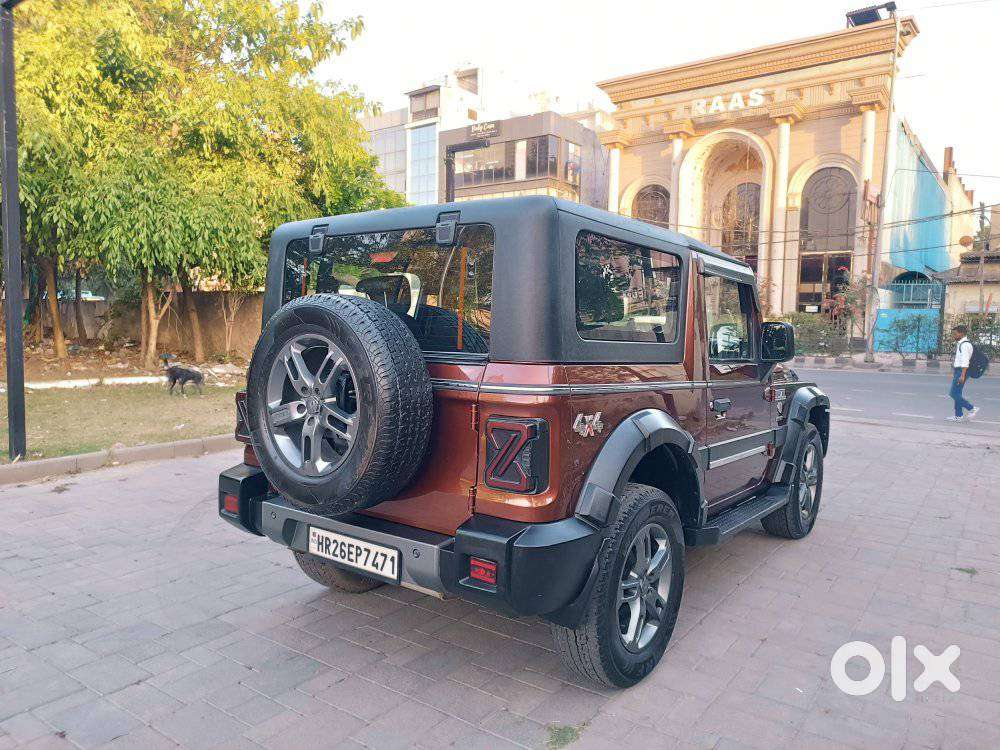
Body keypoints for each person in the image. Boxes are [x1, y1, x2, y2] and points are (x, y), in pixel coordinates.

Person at [947, 325, 979, 422]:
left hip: (962, 371)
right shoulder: (961, 343)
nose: (954, 335)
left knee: (953, 393)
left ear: (961, 333)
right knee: (958, 393)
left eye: (955, 334)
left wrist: (962, 375)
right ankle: (958, 416)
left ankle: (972, 408)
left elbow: (965, 362)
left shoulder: (965, 345)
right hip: (959, 370)